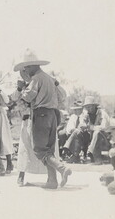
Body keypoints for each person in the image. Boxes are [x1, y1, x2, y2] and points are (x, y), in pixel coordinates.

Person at [11, 49, 71, 189]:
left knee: (39, 149)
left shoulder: (36, 79)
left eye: (26, 68)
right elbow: (62, 95)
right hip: (53, 115)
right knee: (49, 148)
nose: (25, 71)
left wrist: (21, 89)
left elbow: (28, 97)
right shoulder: (49, 78)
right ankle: (52, 181)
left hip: (41, 115)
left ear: (32, 66)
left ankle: (62, 168)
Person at [12, 70, 61, 186]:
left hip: (41, 117)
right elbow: (14, 98)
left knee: (45, 148)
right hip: (28, 118)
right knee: (25, 148)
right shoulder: (25, 84)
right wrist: (20, 88)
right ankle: (21, 175)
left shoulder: (43, 81)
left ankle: (52, 177)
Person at [64, 96, 111, 165]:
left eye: (90, 107)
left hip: (103, 138)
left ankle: (93, 155)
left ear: (94, 106)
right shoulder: (86, 114)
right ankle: (73, 153)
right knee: (77, 131)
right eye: (86, 107)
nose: (88, 109)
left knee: (97, 132)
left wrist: (90, 127)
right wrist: (82, 126)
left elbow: (103, 127)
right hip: (90, 137)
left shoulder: (102, 114)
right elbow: (82, 124)